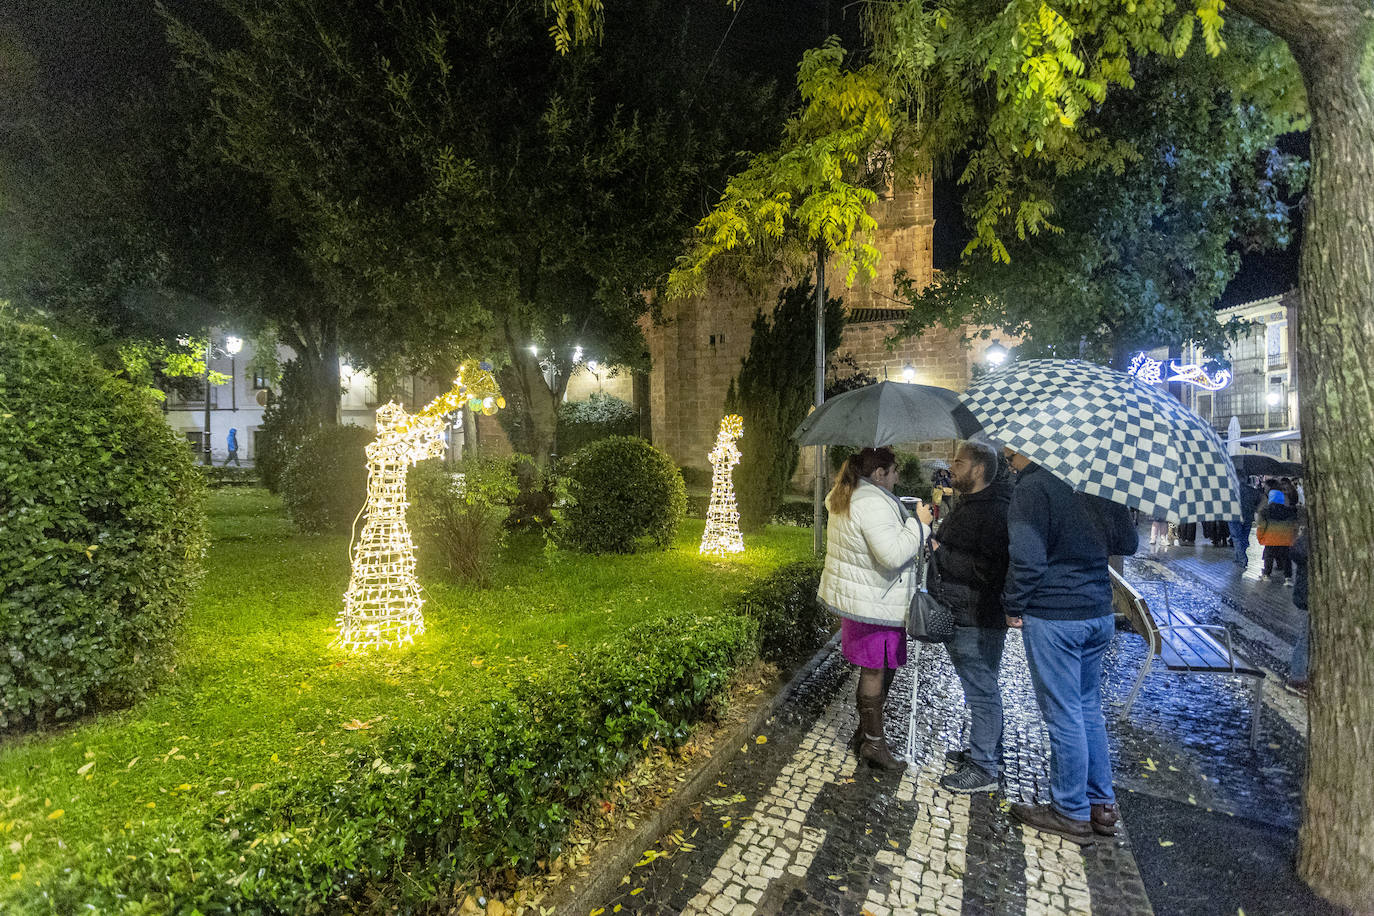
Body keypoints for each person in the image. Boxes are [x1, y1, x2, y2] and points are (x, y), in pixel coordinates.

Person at [1002, 448, 1139, 846]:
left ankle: (1071, 811)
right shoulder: (1098, 483)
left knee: (1064, 715)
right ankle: (1101, 803)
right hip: (1097, 611)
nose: (1007, 452)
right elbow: (1127, 543)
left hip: (1055, 614)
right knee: (1086, 708)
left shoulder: (1034, 488)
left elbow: (1026, 559)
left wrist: (1013, 604)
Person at [817, 447, 933, 771]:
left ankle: (867, 733)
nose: (898, 477)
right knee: (875, 670)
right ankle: (873, 743)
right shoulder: (871, 503)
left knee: (878, 668)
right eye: (894, 470)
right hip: (875, 603)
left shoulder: (851, 494)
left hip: (863, 599)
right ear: (879, 473)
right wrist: (919, 525)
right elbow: (893, 555)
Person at [929, 440, 1012, 793]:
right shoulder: (973, 503)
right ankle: (985, 749)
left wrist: (940, 552)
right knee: (981, 685)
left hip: (976, 614)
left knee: (981, 689)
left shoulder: (994, 511)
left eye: (959, 462)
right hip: (964, 610)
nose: (952, 466)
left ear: (978, 470)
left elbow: (989, 569)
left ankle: (983, 767)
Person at [1285, 525, 1310, 697]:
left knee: (1307, 637)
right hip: (1307, 598)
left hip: (1305, 596)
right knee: (1305, 637)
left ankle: (1300, 675)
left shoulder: (1304, 539)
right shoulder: (1307, 541)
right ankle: (1297, 677)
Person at [1257, 488, 1297, 583]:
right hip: (1285, 540)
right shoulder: (1289, 511)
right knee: (1286, 558)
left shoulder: (1265, 512)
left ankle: (1266, 574)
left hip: (1270, 539)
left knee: (1268, 557)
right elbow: (1294, 526)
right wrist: (1293, 538)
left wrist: (1260, 538)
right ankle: (1288, 577)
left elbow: (1261, 527)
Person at [1229, 480, 1262, 567]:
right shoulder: (1252, 491)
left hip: (1234, 516)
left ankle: (1242, 558)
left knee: (1236, 537)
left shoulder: (1231, 490)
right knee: (1244, 537)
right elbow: (1259, 501)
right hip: (1248, 516)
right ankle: (1238, 557)